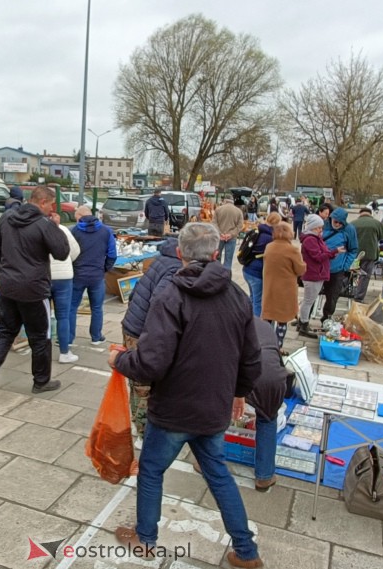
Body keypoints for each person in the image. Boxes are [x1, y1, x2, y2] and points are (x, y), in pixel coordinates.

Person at [109, 223, 264, 569]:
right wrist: (238, 392)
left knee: (151, 470)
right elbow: (252, 358)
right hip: (212, 408)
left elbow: (151, 361)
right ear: (214, 254)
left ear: (180, 254)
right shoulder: (237, 295)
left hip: (174, 410)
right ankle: (247, 550)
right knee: (218, 474)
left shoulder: (172, 295)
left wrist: (120, 360)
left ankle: (146, 539)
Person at [0, 185, 71, 394]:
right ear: (42, 202)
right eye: (51, 205)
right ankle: (41, 381)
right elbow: (61, 252)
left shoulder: (7, 218)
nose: (52, 209)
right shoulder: (44, 223)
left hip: (9, 287)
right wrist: (56, 227)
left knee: (3, 331)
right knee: (40, 336)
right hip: (34, 290)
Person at [120, 236, 181, 454]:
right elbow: (160, 301)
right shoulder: (175, 267)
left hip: (133, 326)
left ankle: (142, 427)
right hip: (141, 333)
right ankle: (144, 434)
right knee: (143, 384)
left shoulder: (162, 260)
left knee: (138, 382)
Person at [247, 319, 289, 492]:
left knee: (217, 412)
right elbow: (278, 360)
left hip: (250, 374)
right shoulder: (264, 326)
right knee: (267, 419)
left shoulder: (227, 324)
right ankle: (264, 477)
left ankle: (205, 463)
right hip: (275, 380)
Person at [70, 204, 116, 348]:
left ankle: (68, 339)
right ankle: (96, 337)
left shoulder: (74, 231)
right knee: (97, 307)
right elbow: (112, 254)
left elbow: (68, 252)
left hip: (77, 274)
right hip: (97, 275)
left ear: (80, 216)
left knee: (71, 307)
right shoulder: (106, 231)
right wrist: (104, 269)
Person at [261, 221, 306, 349]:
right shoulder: (292, 249)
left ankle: (265, 344)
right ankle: (278, 346)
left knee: (268, 317)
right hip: (286, 289)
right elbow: (300, 270)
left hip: (270, 286)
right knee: (282, 319)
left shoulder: (269, 246)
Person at [297, 214, 339, 337]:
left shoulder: (316, 238)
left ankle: (303, 323)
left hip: (317, 274)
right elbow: (318, 257)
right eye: (318, 228)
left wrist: (331, 253)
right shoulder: (310, 240)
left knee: (309, 300)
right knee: (308, 301)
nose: (321, 230)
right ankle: (303, 325)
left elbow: (323, 252)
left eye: (321, 227)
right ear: (312, 227)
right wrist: (333, 253)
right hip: (313, 274)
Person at [50, 212, 81, 364]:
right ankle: (64, 352)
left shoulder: (36, 230)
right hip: (64, 277)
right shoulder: (64, 230)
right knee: (63, 316)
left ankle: (41, 351)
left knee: (42, 315)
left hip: (44, 276)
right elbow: (75, 251)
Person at [320, 208, 360, 321]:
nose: (337, 224)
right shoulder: (323, 226)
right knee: (312, 295)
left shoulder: (349, 230)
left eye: (340, 222)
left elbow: (353, 249)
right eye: (335, 221)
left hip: (337, 269)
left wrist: (345, 266)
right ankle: (304, 319)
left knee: (332, 296)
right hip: (320, 267)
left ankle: (326, 318)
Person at [241, 212, 280, 317]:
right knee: (258, 301)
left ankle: (247, 317)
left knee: (253, 297)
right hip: (257, 272)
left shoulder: (257, 230)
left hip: (247, 269)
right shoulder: (270, 238)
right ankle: (255, 326)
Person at [352, 207, 383, 301]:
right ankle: (359, 297)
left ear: (360, 214)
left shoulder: (353, 223)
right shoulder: (377, 223)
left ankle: (345, 290)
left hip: (354, 254)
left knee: (350, 273)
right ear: (370, 214)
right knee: (365, 276)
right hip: (370, 254)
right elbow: (382, 237)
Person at [214, 195, 244, 269]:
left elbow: (214, 223)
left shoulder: (218, 210)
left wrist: (220, 233)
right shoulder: (239, 211)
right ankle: (226, 277)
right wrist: (231, 234)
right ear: (232, 201)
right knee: (228, 260)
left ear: (225, 201)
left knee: (216, 258)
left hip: (220, 237)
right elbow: (240, 226)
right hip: (232, 238)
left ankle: (216, 275)